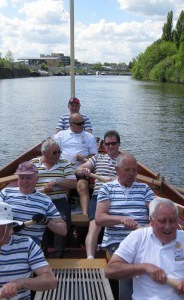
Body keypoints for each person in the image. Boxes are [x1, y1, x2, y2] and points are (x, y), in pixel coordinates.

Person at [105, 197, 184, 300]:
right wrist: (144, 267)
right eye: (162, 221)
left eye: (172, 221)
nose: (168, 226)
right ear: (151, 221)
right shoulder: (138, 237)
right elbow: (110, 270)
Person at [95, 152, 155, 300]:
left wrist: (151, 224)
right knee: (127, 267)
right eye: (128, 170)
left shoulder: (144, 189)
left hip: (143, 239)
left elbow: (155, 213)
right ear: (117, 170)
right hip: (117, 241)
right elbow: (99, 218)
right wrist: (121, 219)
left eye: (134, 170)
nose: (132, 174)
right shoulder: (106, 188)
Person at [0, 161, 67, 245]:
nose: (24, 181)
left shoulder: (45, 200)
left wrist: (45, 221)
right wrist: (7, 226)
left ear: (37, 179)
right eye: (22, 178)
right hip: (6, 239)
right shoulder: (5, 193)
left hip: (31, 243)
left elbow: (63, 230)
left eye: (28, 178)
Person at [75, 130, 120, 259]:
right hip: (99, 196)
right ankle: (90, 258)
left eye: (113, 143)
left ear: (118, 144)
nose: (110, 146)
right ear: (103, 145)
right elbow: (78, 171)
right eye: (107, 144)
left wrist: (118, 178)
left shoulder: (123, 160)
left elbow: (132, 177)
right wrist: (84, 169)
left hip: (118, 196)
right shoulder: (97, 158)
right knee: (94, 226)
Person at [30, 138, 77, 258]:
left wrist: (57, 182)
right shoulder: (33, 164)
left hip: (58, 200)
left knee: (62, 221)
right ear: (44, 153)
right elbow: (25, 183)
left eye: (59, 152)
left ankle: (58, 253)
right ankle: (41, 253)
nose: (58, 155)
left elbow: (73, 183)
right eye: (54, 152)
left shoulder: (64, 163)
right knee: (36, 220)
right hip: (38, 199)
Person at [53, 113, 98, 214]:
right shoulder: (61, 135)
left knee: (82, 185)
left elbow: (95, 156)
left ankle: (85, 215)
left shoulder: (89, 136)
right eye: (79, 124)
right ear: (71, 124)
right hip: (64, 170)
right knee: (64, 187)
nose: (82, 125)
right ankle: (62, 213)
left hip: (82, 169)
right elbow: (52, 151)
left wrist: (85, 158)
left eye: (83, 123)